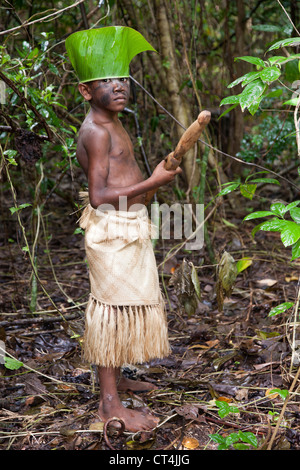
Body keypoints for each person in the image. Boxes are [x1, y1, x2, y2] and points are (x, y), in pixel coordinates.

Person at [65, 26, 181, 432]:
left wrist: (152, 181)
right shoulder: (96, 131)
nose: (119, 86)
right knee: (111, 310)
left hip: (129, 225)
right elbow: (98, 196)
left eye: (123, 79)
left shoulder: (113, 121)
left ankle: (118, 379)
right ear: (84, 91)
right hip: (111, 229)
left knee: (128, 300)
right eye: (107, 80)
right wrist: (153, 182)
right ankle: (109, 403)